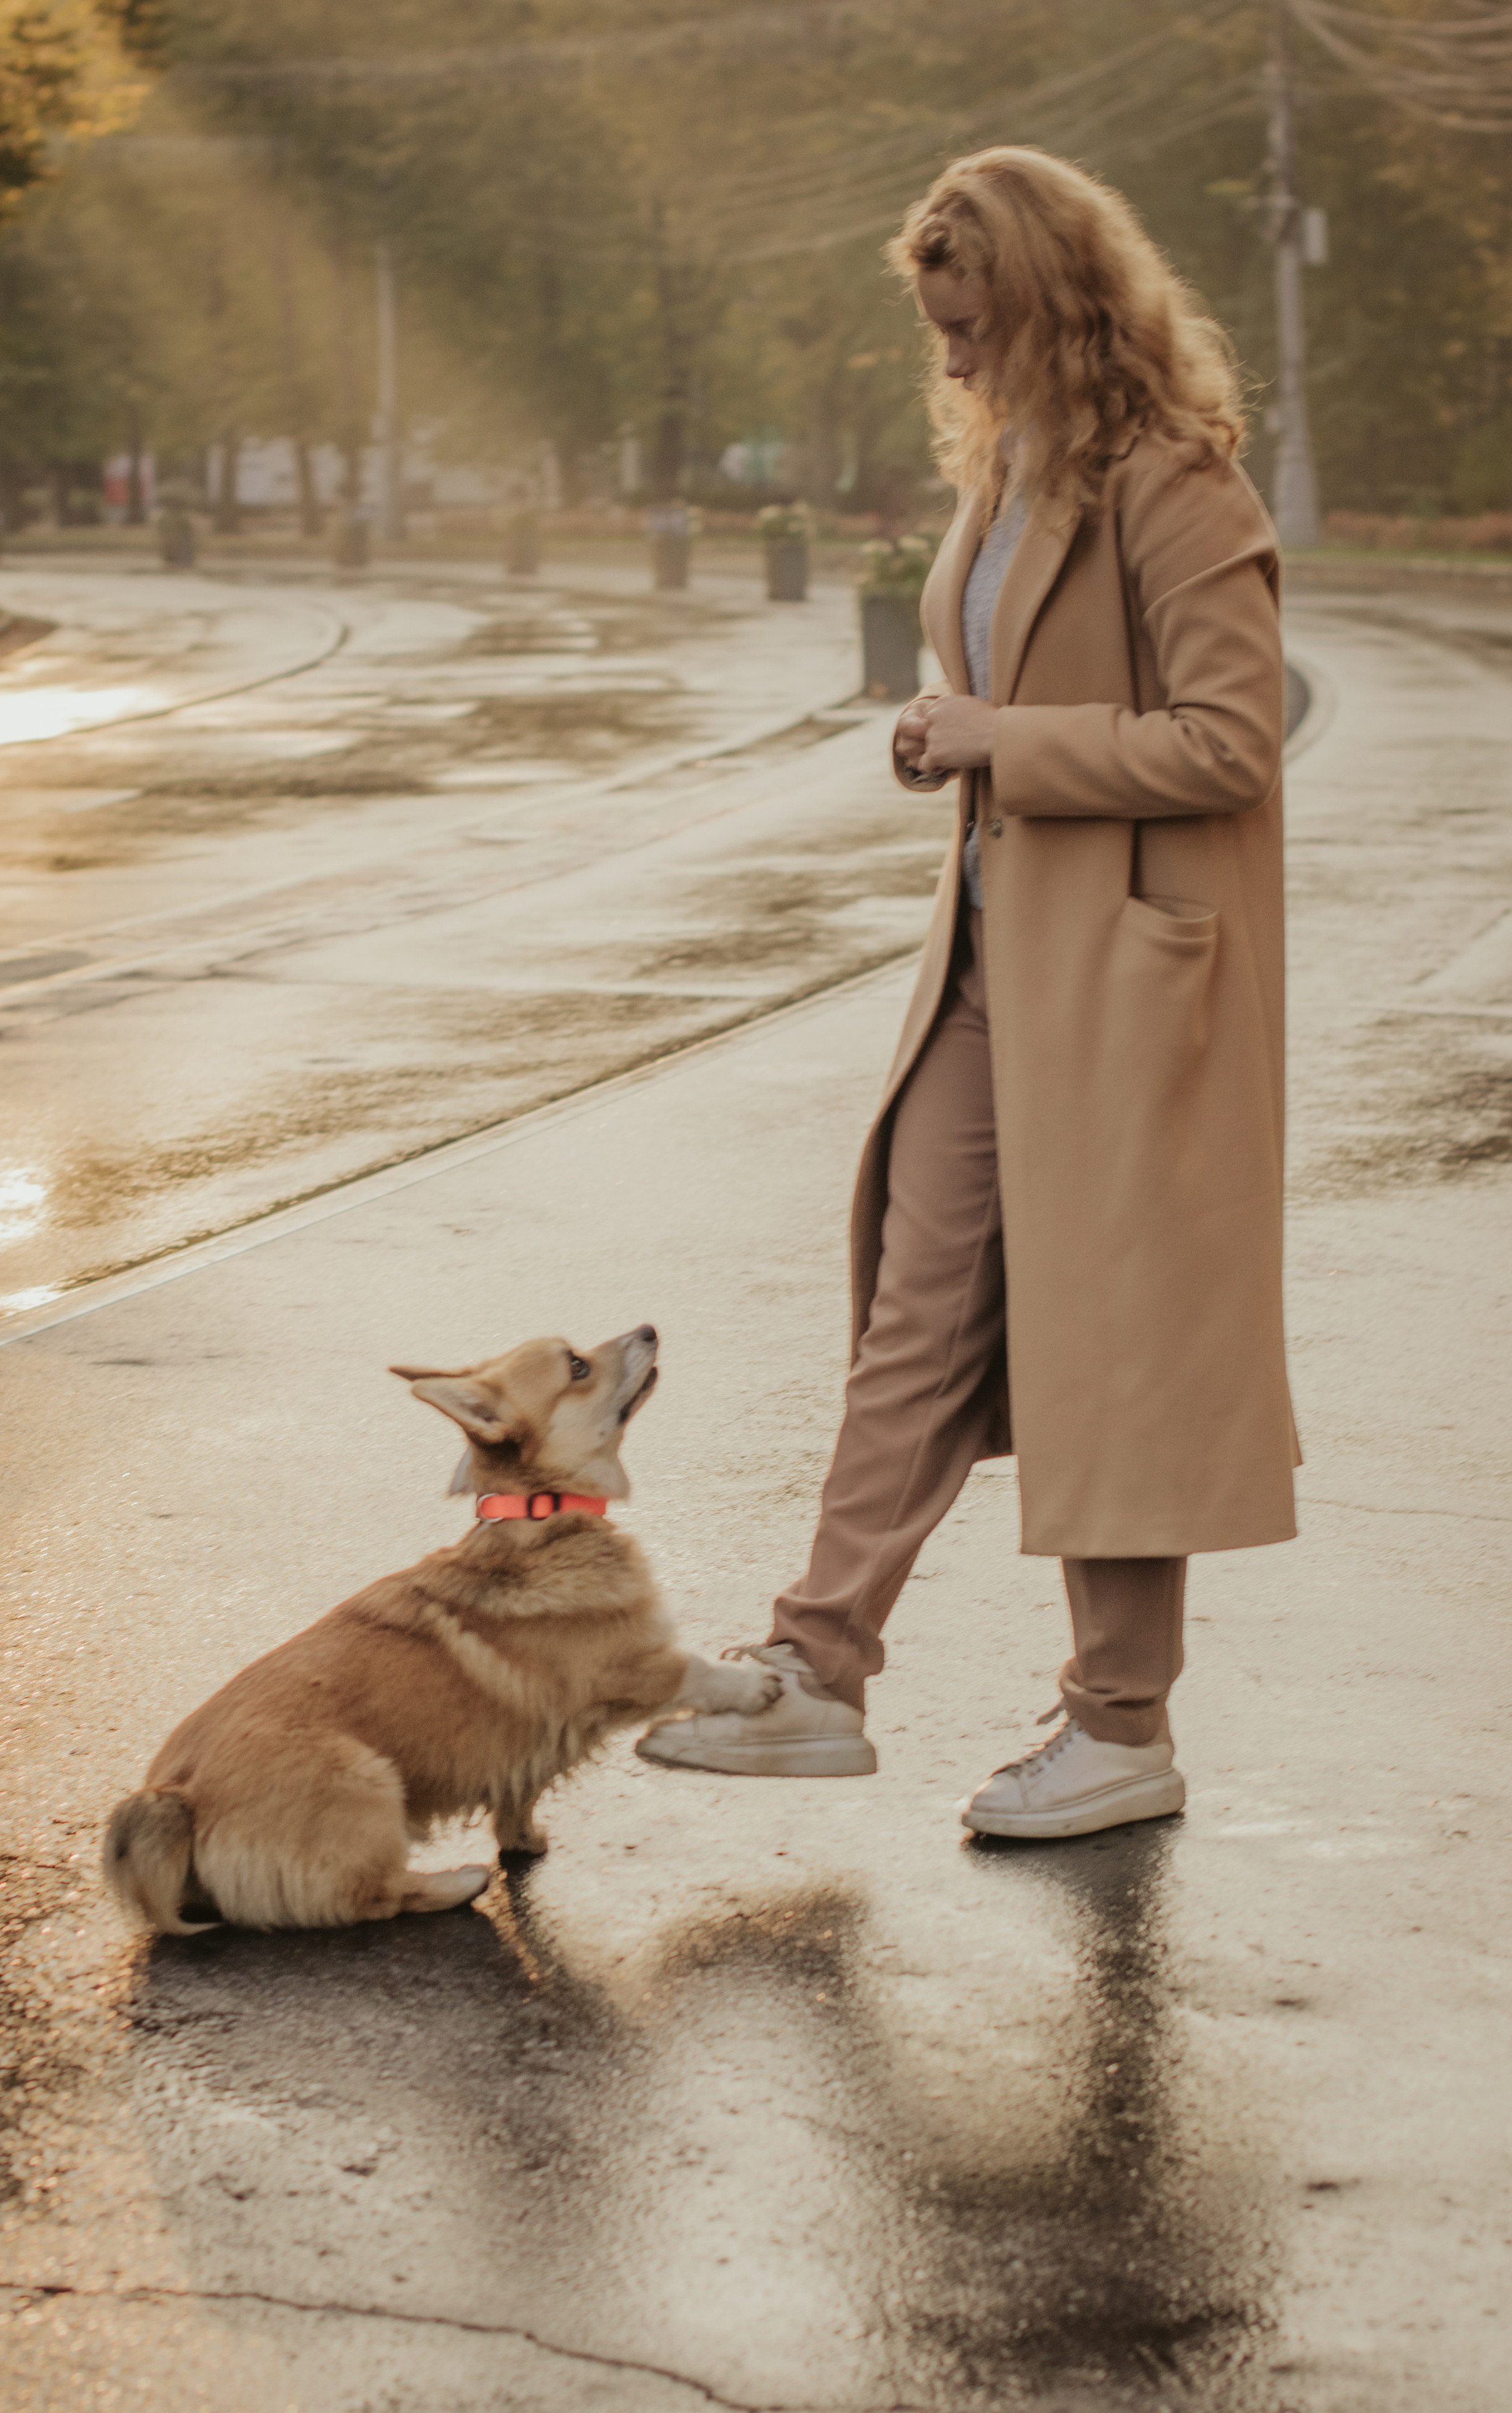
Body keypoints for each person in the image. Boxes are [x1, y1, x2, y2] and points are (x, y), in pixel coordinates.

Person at [638, 146, 1298, 1839]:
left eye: (973, 325)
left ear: (1062, 309)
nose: (950, 360)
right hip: (998, 962)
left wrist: (1006, 737)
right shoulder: (1007, 471)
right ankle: (818, 1670)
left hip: (1136, 989)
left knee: (1112, 1344)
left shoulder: (1181, 483)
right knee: (916, 1312)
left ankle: (1121, 1727)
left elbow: (1235, 738)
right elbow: (1025, 691)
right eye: (937, 329)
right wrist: (956, 725)